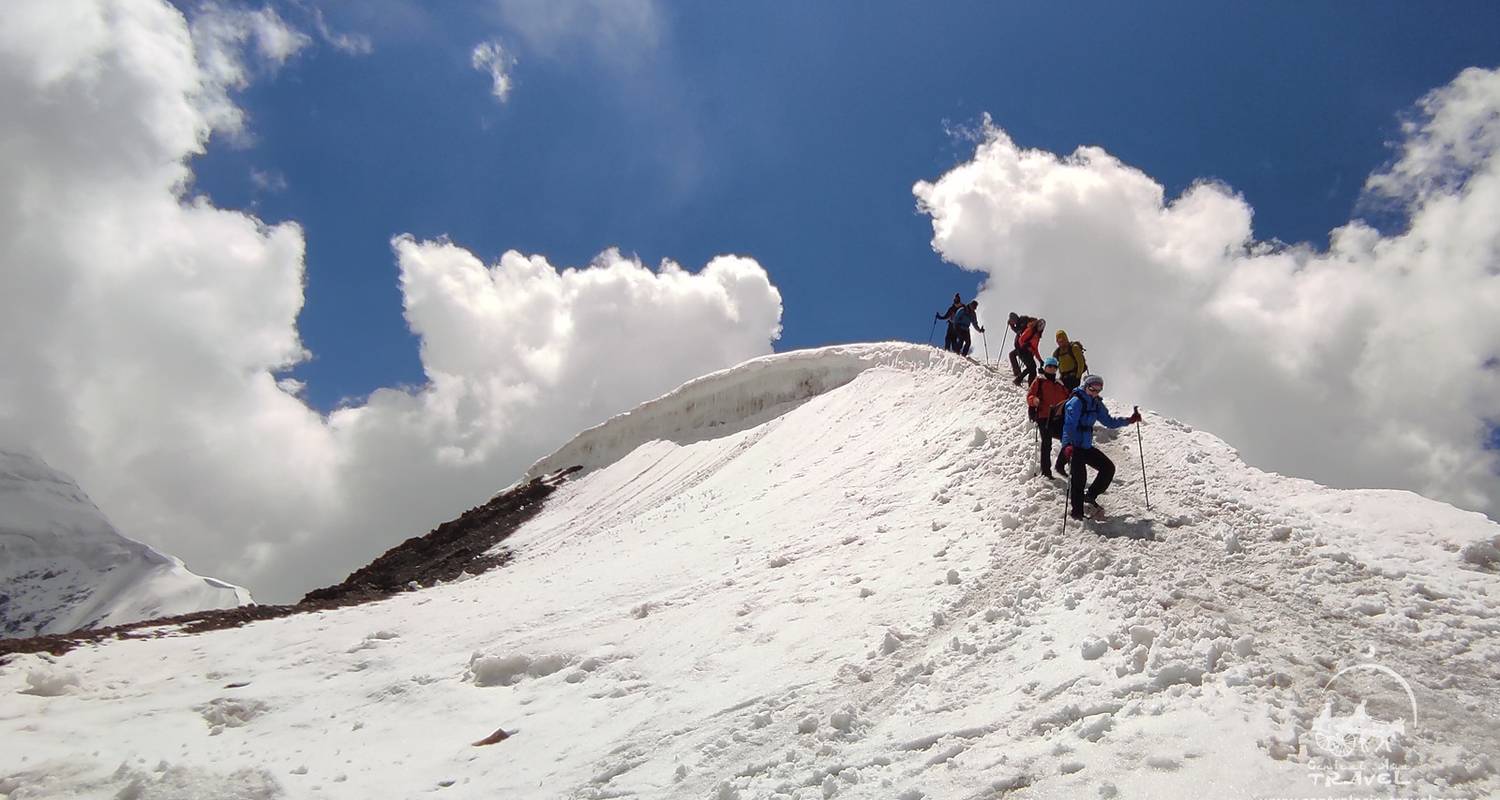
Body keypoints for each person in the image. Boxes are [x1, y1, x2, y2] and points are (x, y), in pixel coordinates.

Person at [1060, 374, 1141, 519]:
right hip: (1074, 446)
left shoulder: (1096, 403)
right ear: (1086, 386)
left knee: (1108, 468)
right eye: (1093, 389)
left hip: (1086, 446)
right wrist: (1067, 445)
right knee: (1079, 479)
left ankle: (1090, 496)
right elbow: (1068, 426)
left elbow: (1109, 421)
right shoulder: (1076, 402)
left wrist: (1129, 420)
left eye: (1099, 390)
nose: (1095, 393)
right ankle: (1077, 513)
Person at [1026, 357, 1071, 479]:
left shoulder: (1059, 384)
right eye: (1049, 366)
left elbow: (1069, 397)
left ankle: (1060, 465)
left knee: (1069, 440)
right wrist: (1034, 400)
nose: (1052, 369)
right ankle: (1046, 472)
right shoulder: (1039, 381)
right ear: (1045, 368)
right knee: (1047, 443)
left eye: (1054, 367)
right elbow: (1030, 395)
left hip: (1058, 417)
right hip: (1044, 417)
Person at [1010, 317, 1045, 385]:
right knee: (1032, 367)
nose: (1040, 327)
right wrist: (1025, 345)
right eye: (1039, 324)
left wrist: (1040, 360)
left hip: (1028, 352)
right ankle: (1024, 382)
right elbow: (1021, 339)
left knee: (1031, 368)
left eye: (1042, 326)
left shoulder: (1037, 335)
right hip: (1023, 351)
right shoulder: (1030, 330)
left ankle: (1024, 382)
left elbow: (1035, 349)